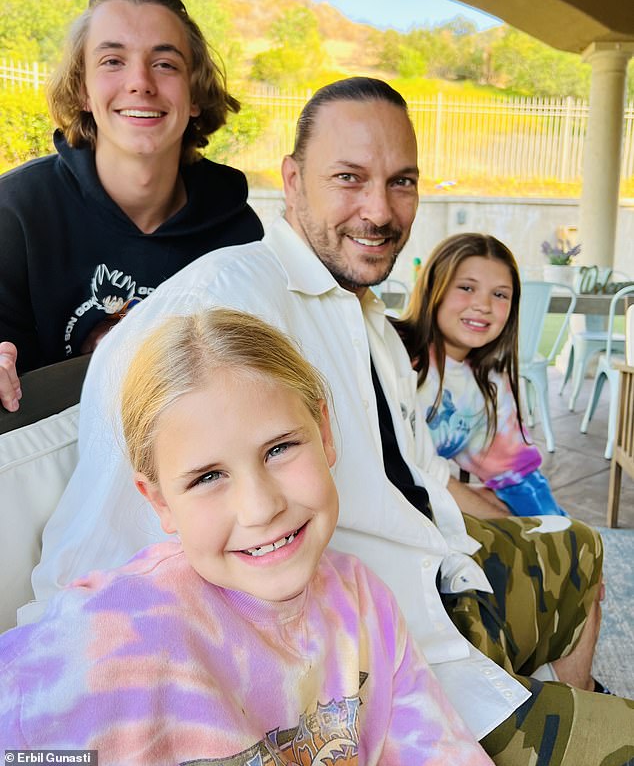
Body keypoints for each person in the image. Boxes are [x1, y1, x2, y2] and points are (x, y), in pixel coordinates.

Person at [27, 78, 634, 765]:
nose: (379, 210)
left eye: (400, 181)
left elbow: (418, 480)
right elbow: (95, 573)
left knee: (580, 544)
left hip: (440, 578)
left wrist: (489, 512)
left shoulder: (365, 308)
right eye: (348, 178)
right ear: (291, 180)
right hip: (378, 666)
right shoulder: (218, 312)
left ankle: (554, 702)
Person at [0, 308, 492, 764]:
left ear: (324, 433)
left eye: (279, 449)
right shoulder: (113, 637)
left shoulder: (363, 601)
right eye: (208, 477)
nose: (261, 508)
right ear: (160, 502)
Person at [0, 0, 263, 413]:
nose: (140, 82)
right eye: (112, 61)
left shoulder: (238, 233)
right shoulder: (17, 212)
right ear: (82, 88)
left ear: (194, 93)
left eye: (165, 63)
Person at [395, 232, 566, 516]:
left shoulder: (489, 382)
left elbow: (516, 473)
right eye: (466, 287)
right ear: (433, 288)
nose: (483, 305)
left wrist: (554, 530)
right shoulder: (393, 352)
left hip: (423, 502)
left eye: (499, 294)